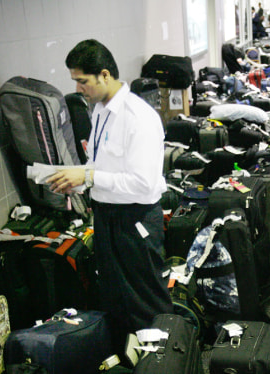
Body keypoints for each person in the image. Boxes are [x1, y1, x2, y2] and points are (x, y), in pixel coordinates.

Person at [48, 40, 173, 343]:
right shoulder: (101, 111)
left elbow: (142, 183)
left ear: (104, 75)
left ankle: (162, 360)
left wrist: (88, 174)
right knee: (116, 297)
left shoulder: (138, 116)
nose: (79, 88)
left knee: (146, 301)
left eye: (82, 81)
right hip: (107, 215)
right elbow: (101, 166)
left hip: (136, 218)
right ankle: (127, 358)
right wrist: (77, 180)